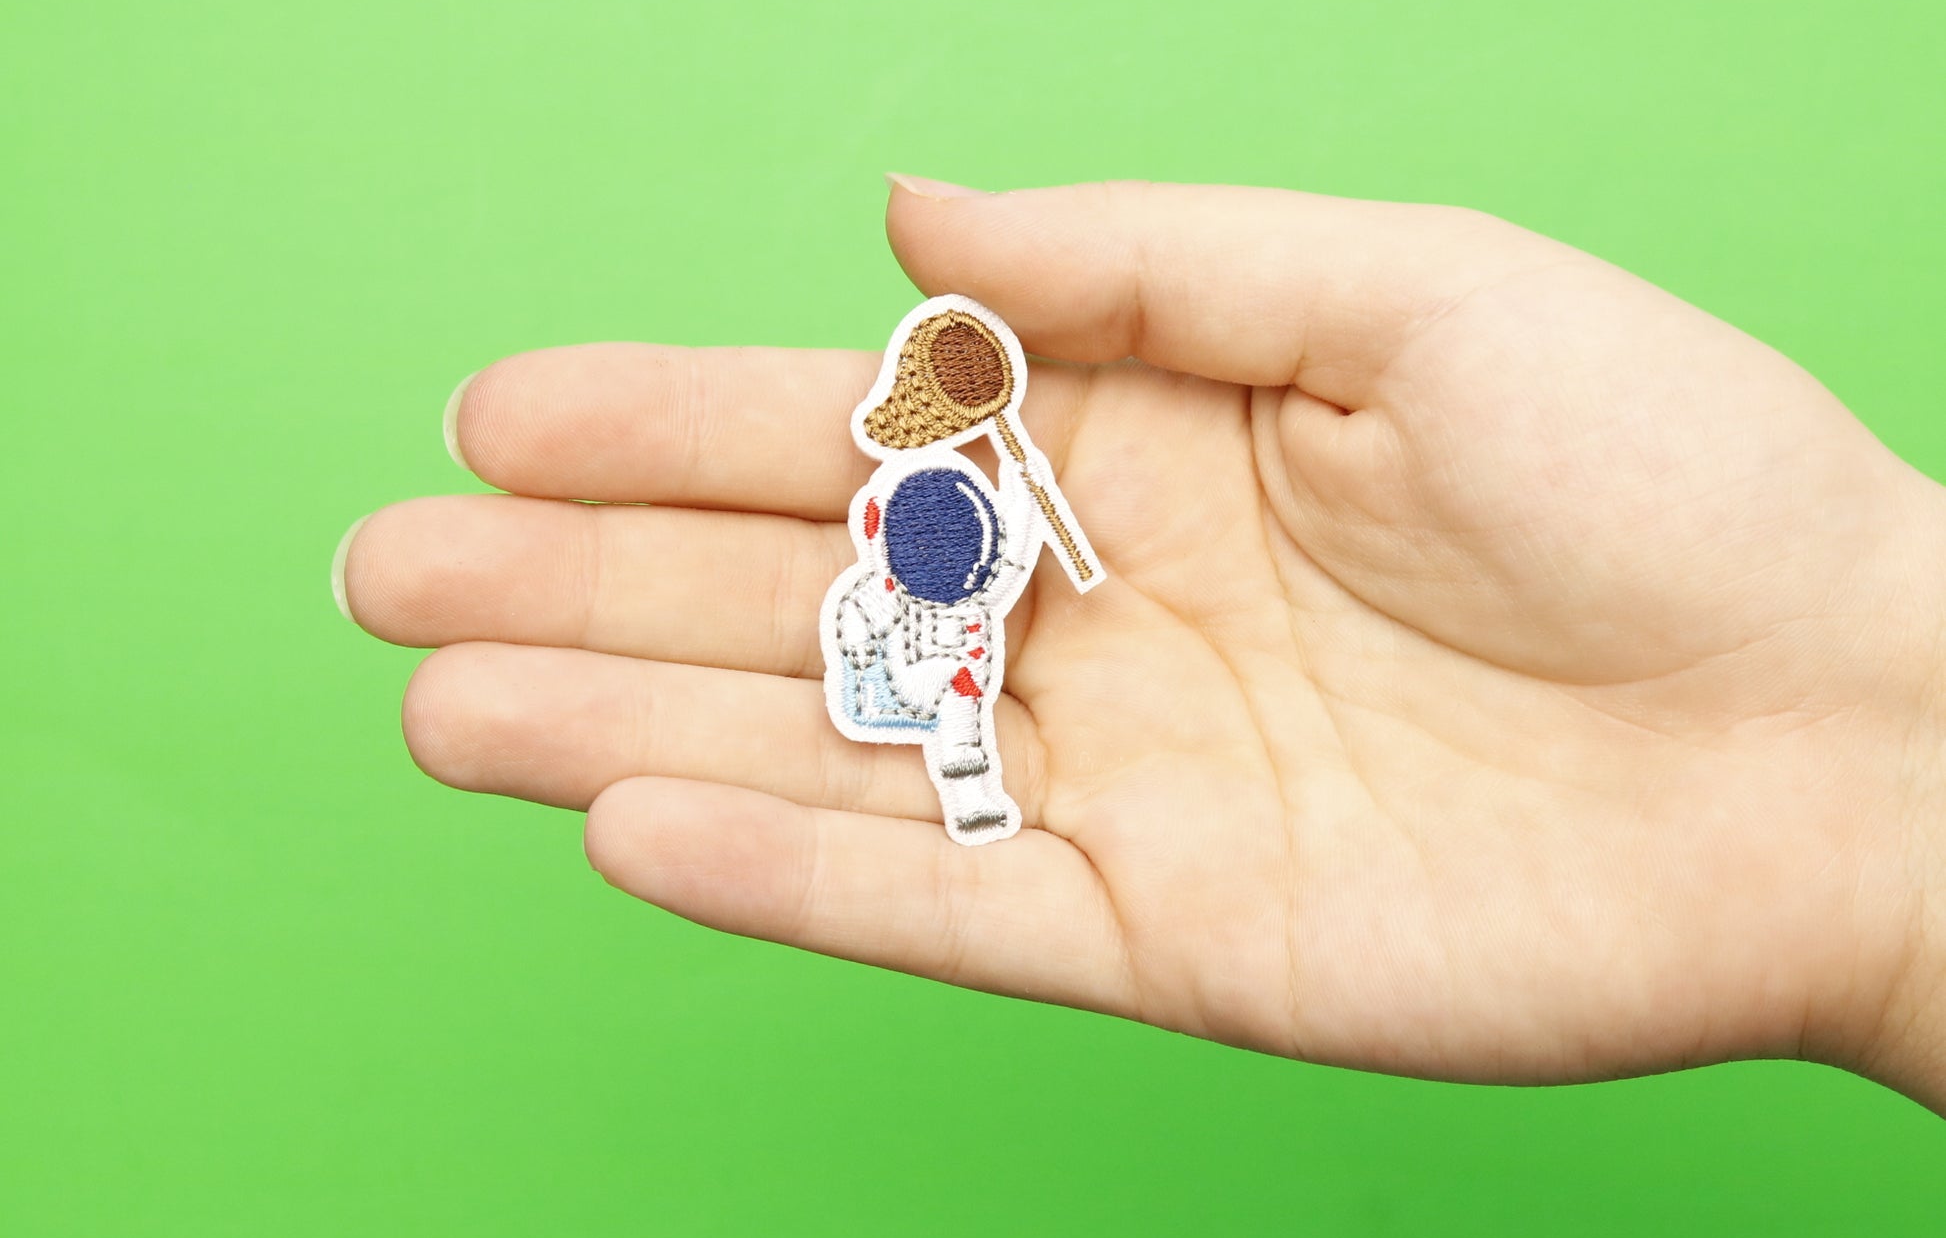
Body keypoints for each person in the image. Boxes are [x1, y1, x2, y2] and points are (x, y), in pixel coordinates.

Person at [333, 176, 1946, 1114]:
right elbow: (934, 556)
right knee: (940, 713)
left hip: (951, 637)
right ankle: (956, 761)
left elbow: (972, 561)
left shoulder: (977, 501)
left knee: (953, 724)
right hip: (929, 629)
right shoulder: (925, 504)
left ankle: (959, 766)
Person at [824, 455, 1036, 845]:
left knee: (962, 699)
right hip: (911, 681)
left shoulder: (978, 593)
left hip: (951, 682)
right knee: (960, 699)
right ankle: (970, 801)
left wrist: (1024, 493)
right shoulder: (893, 591)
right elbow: (858, 613)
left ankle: (974, 797)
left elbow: (1013, 560)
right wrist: (857, 650)